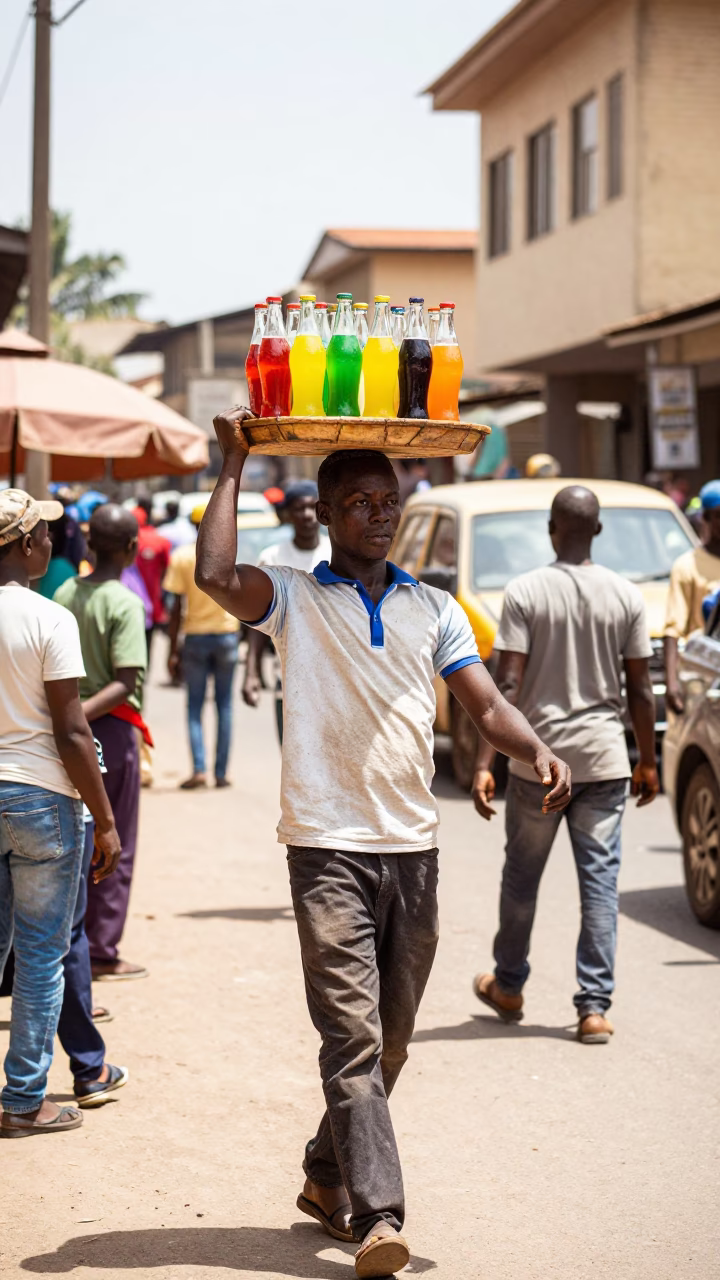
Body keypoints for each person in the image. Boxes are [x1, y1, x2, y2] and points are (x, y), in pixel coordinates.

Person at [195, 407, 571, 1279]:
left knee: (392, 1041)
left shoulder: (432, 607)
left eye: (387, 498)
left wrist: (535, 746)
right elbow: (216, 572)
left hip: (415, 849)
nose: (378, 512)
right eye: (358, 500)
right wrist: (231, 464)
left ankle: (326, 1173)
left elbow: (485, 705)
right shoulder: (292, 596)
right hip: (325, 846)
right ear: (324, 513)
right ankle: (379, 1216)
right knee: (352, 1040)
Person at [471, 485, 659, 1046]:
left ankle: (507, 986)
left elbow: (504, 685)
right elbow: (642, 688)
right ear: (596, 531)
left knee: (522, 879)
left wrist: (487, 763)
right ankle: (594, 1008)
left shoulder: (526, 591)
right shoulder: (626, 596)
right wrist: (647, 760)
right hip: (604, 761)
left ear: (551, 528)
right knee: (600, 885)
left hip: (539, 765)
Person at [0, 489, 121, 1137]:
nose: (54, 543)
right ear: (25, 547)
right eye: (45, 533)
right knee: (43, 955)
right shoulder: (48, 618)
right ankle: (23, 1099)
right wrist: (105, 820)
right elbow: (73, 732)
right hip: (42, 797)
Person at [55, 505, 149, 982]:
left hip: (64, 732)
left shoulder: (66, 590)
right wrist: (77, 717)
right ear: (132, 548)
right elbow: (125, 681)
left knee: (77, 839)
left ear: (89, 544)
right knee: (116, 843)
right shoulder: (125, 602)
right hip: (107, 730)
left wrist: (64, 718)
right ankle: (102, 953)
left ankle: (76, 947)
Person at [242, 480, 331, 731]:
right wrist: (251, 672)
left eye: (311, 508)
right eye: (298, 509)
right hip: (289, 680)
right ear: (287, 515)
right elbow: (259, 621)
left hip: (336, 678)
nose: (305, 515)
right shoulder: (272, 558)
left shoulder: (337, 554)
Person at [164, 504, 240, 789]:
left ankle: (198, 769)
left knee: (195, 706)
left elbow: (175, 608)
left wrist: (173, 649)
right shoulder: (230, 554)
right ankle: (220, 773)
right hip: (226, 635)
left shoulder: (182, 557)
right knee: (225, 706)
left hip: (195, 637)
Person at [664, 479, 720, 714]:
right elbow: (673, 630)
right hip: (704, 676)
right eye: (719, 515)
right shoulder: (687, 566)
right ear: (705, 519)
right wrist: (672, 683)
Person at [131, 500, 171, 659]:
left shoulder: (120, 541)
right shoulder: (158, 539)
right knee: (146, 646)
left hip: (130, 604)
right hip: (152, 602)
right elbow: (167, 570)